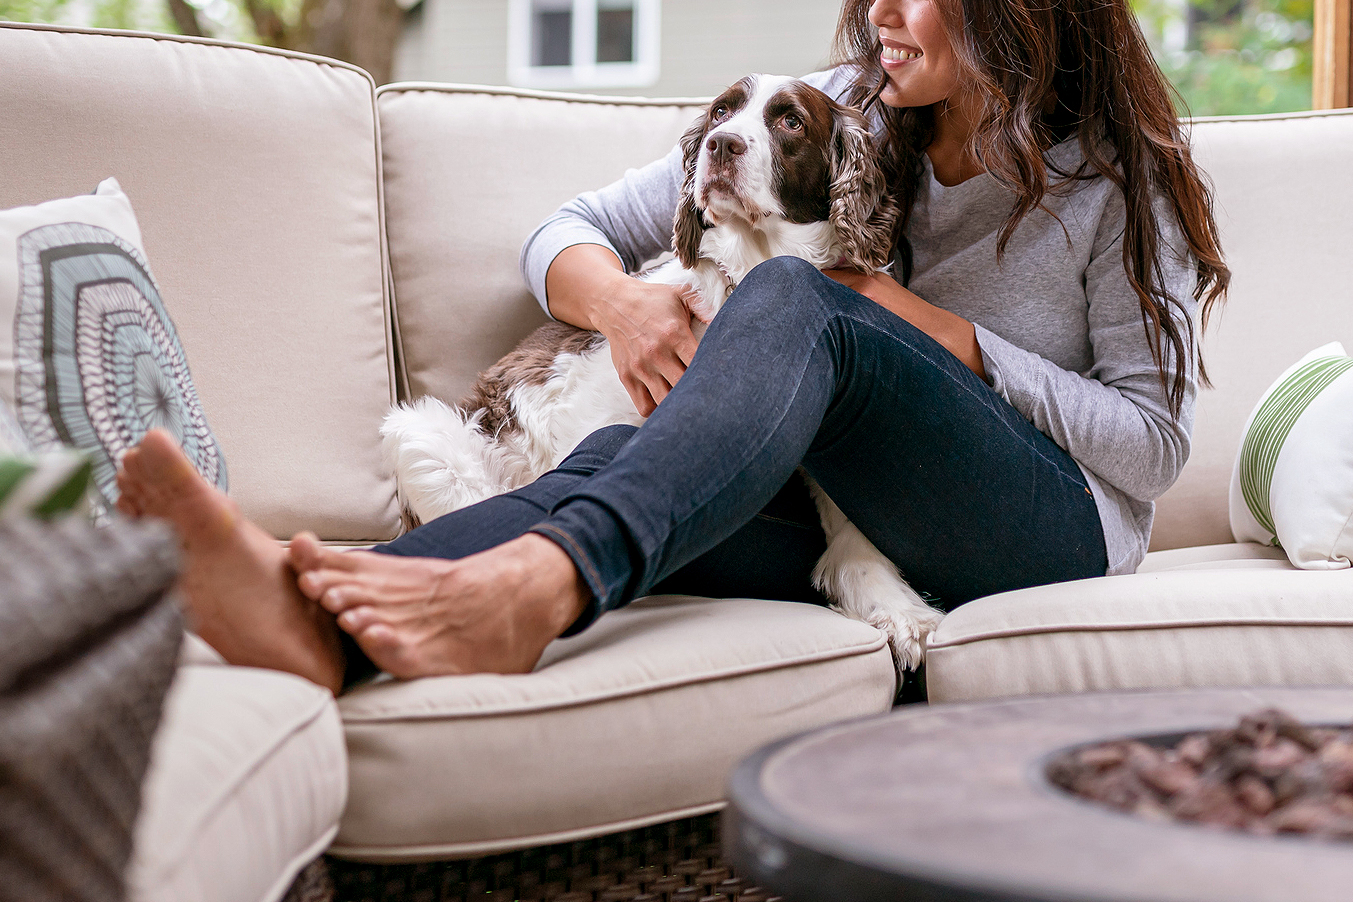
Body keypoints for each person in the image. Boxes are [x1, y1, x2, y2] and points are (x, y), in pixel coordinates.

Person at [116, 0, 1228, 695]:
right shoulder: (850, 108)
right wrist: (621, 307)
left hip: (1046, 527)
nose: (881, 14)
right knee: (622, 455)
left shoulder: (1120, 182)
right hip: (857, 523)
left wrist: (949, 334)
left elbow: (1149, 446)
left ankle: (543, 587)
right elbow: (565, 232)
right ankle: (315, 622)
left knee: (794, 293)